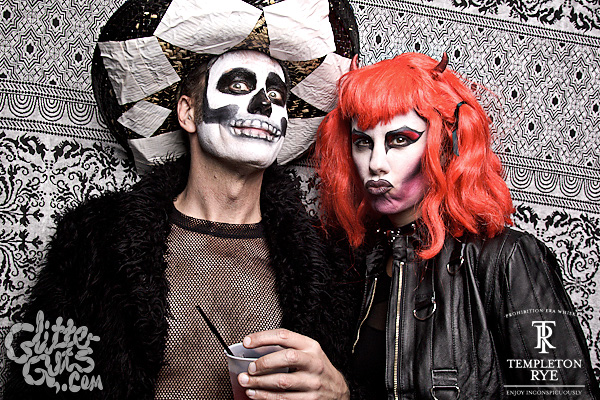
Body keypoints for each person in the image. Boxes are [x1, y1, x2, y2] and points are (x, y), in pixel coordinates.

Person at [4, 0, 358, 398]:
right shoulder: (95, 242)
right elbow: (41, 380)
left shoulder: (330, 262)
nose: (264, 105)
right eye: (238, 86)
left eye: (276, 95)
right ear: (188, 113)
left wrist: (342, 393)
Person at [316, 52, 600, 399]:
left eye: (399, 140)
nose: (376, 163)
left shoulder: (507, 258)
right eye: (363, 142)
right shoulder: (361, 263)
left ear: (443, 144)